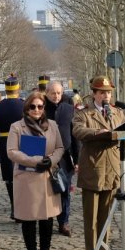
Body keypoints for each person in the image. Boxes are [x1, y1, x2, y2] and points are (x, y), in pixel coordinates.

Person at [7, 91, 66, 250]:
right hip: (26, 178)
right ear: (27, 108)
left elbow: (60, 147)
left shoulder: (53, 125)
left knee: (47, 219)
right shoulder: (17, 126)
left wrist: (51, 160)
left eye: (40, 106)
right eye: (33, 106)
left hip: (47, 176)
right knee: (29, 218)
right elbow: (12, 152)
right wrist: (35, 161)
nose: (36, 110)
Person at [72, 76, 125, 250]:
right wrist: (96, 132)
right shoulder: (83, 113)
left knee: (106, 213)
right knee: (91, 215)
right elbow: (77, 131)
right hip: (93, 168)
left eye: (109, 92)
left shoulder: (118, 113)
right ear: (94, 94)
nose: (106, 95)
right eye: (102, 92)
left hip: (111, 167)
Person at [44, 80, 77, 236]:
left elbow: (75, 135)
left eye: (58, 93)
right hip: (46, 157)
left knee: (64, 191)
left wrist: (77, 160)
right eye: (53, 93)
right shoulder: (40, 109)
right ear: (47, 93)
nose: (56, 96)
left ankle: (63, 222)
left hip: (65, 158)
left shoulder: (69, 109)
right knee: (48, 191)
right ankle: (47, 220)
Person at [0, 75, 25, 208]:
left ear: (6, 89)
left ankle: (14, 206)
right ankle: (22, 205)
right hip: (22, 143)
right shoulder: (24, 105)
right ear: (18, 88)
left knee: (9, 177)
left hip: (5, 144)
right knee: (22, 174)